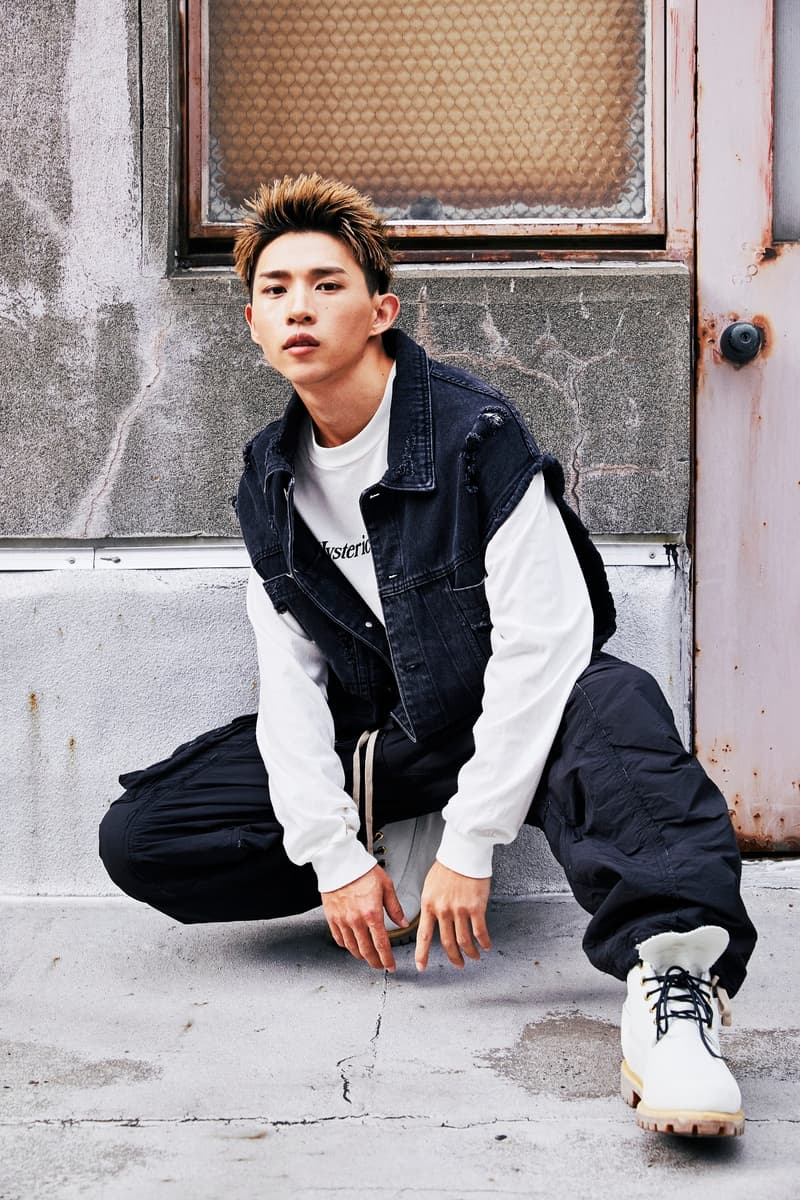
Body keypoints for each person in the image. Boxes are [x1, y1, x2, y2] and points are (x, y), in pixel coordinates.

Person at [99, 173, 757, 1139]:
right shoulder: (267, 476)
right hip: (389, 741)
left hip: (512, 709)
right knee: (144, 836)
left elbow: (548, 640)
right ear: (252, 323)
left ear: (381, 310)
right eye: (276, 290)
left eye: (327, 284)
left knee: (614, 704)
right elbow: (290, 683)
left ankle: (675, 991)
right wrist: (332, 858)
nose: (299, 307)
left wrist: (473, 841)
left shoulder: (471, 433)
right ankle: (389, 842)